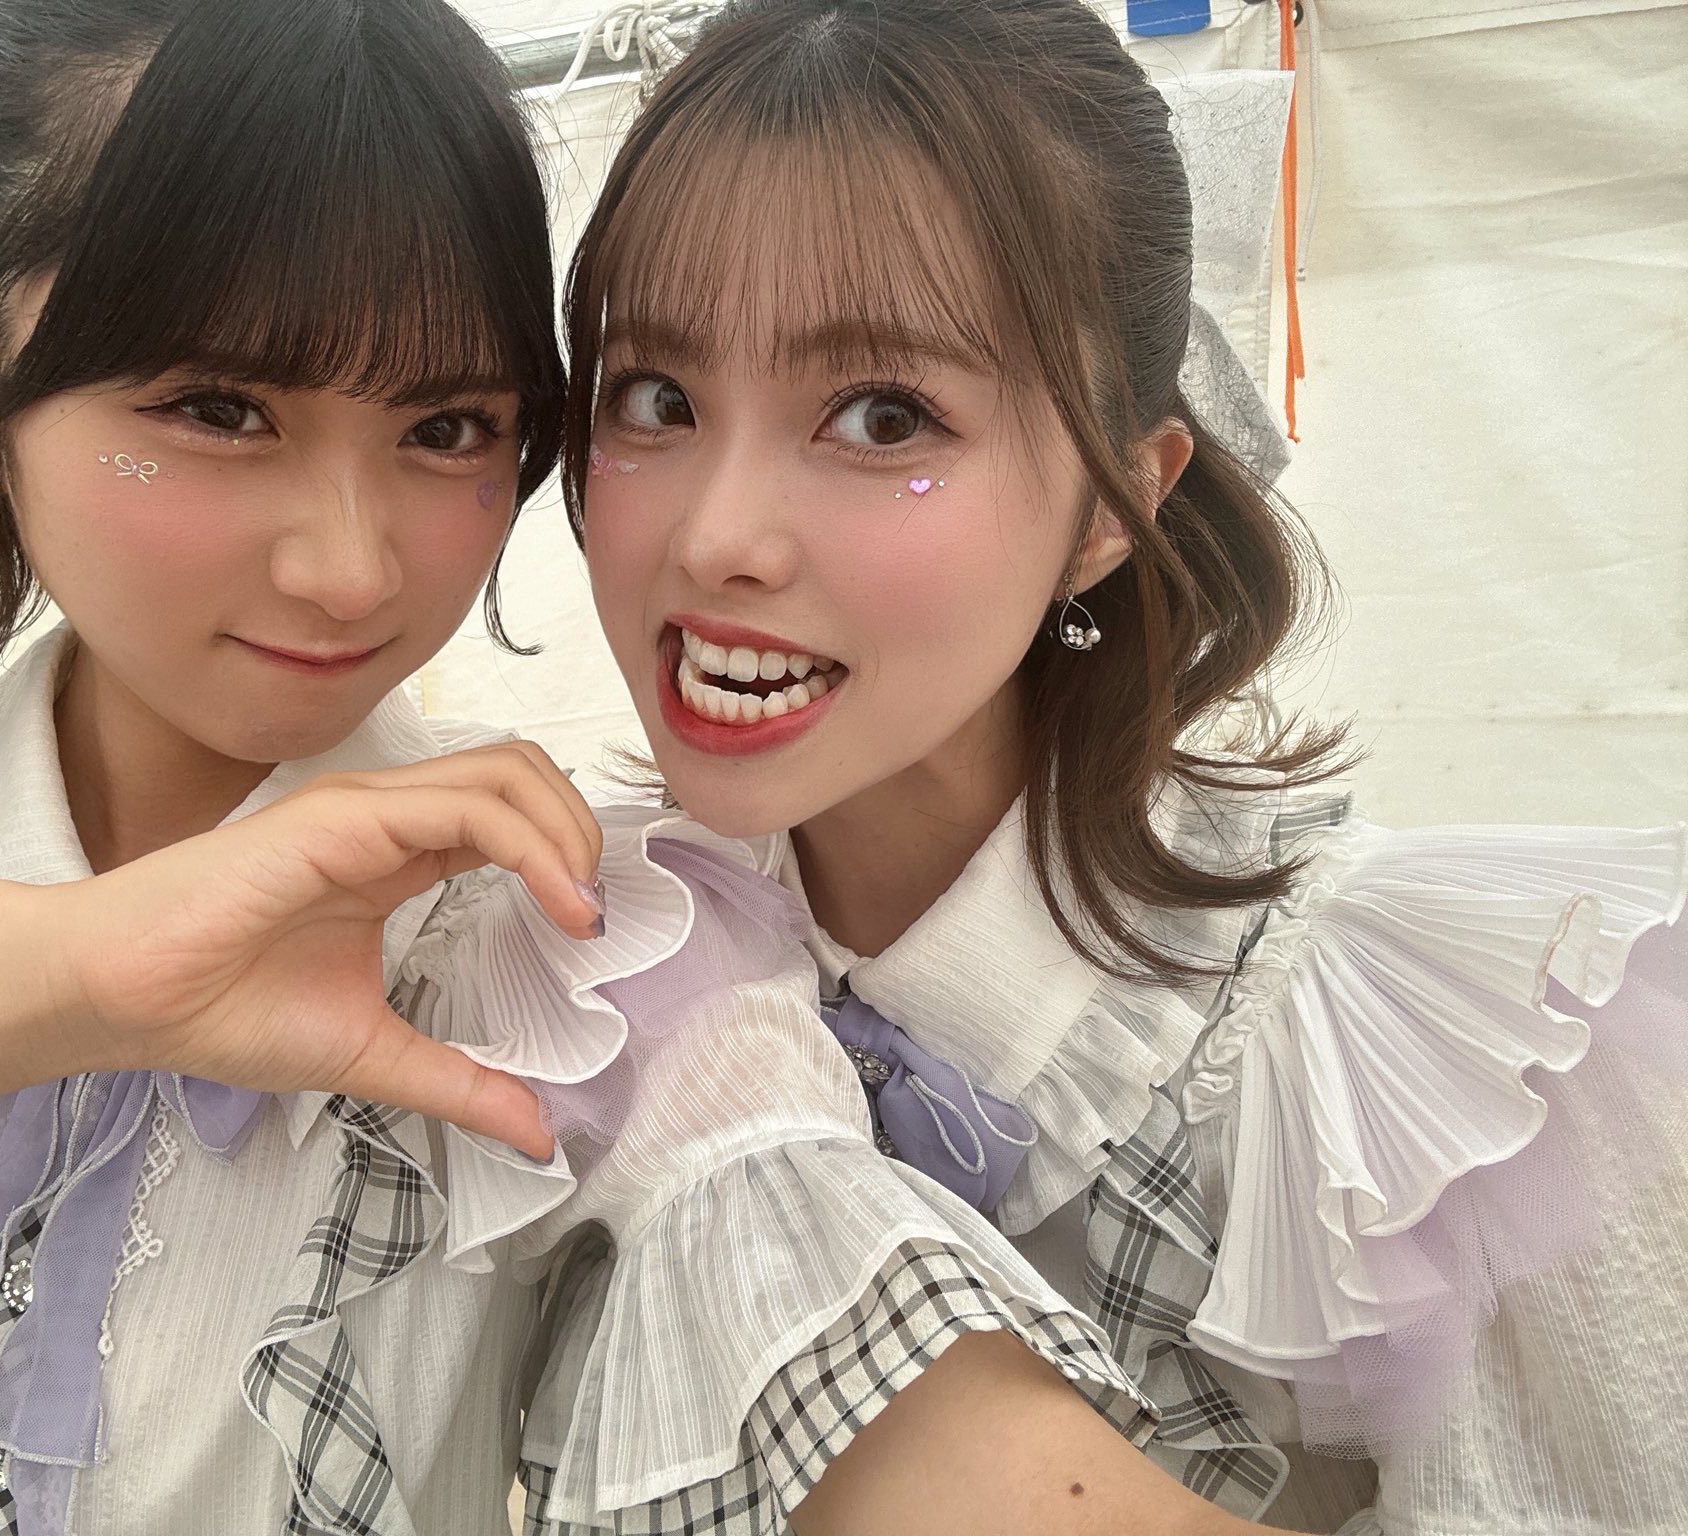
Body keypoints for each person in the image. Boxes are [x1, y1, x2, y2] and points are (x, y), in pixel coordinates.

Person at [520, 0, 1688, 1531]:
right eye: (655, 398)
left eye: (883, 416)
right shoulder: (568, 950)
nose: (715, 536)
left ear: (1110, 507)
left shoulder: (1442, 1080)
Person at [0, 0, 610, 1528]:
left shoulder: (566, 961)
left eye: (448, 426)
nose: (351, 570)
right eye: (219, 409)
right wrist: (39, 979)